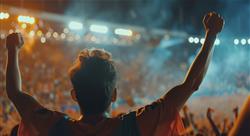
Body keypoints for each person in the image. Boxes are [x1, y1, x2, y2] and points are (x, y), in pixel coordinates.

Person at [5, 12, 224, 136]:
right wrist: (211, 35)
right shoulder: (135, 125)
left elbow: (15, 93)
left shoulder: (54, 126)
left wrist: (12, 50)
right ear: (114, 95)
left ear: (74, 95)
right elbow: (191, 84)